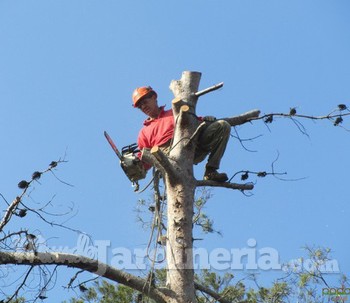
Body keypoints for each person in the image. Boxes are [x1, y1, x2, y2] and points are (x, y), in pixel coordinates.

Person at [132, 86, 231, 182]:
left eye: (145, 102)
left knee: (223, 125)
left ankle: (211, 171)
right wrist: (133, 164)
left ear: (154, 97)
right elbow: (144, 159)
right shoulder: (144, 132)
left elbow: (194, 122)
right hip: (169, 159)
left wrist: (205, 120)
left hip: (192, 146)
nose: (143, 107)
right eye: (140, 107)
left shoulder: (174, 112)